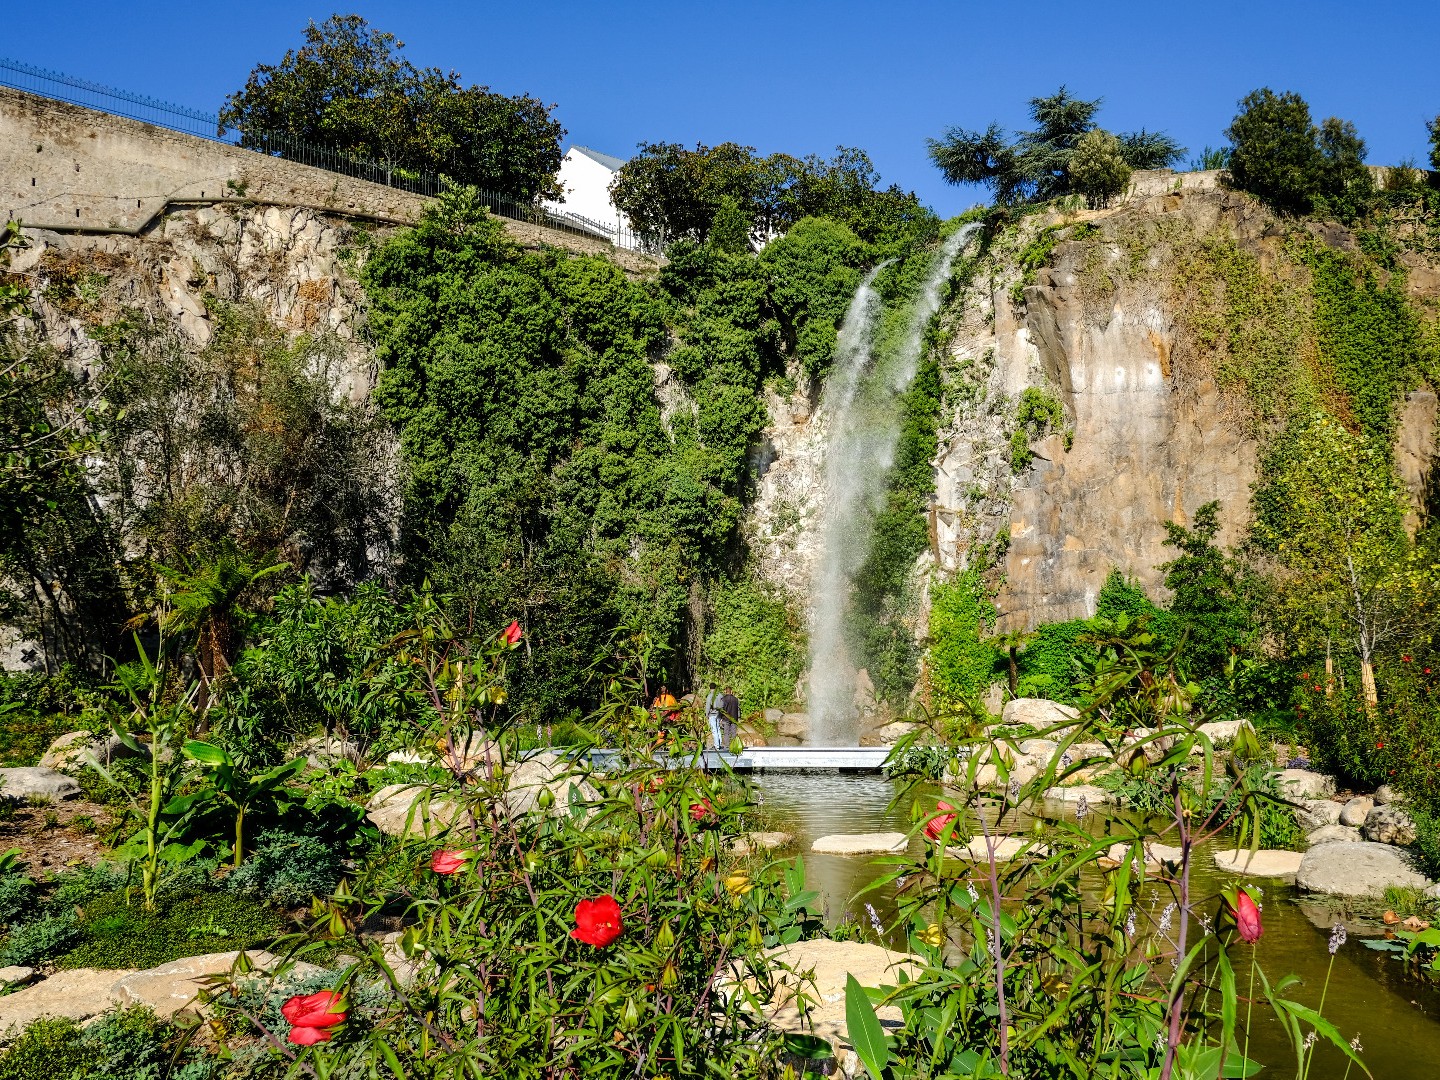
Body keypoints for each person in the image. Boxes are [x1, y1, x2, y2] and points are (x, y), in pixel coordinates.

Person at [703, 682, 723, 750]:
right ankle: (720, 744)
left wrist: (706, 714)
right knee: (718, 729)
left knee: (714, 730)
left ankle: (716, 745)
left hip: (712, 714)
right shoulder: (720, 695)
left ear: (710, 688)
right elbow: (722, 705)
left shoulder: (710, 696)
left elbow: (708, 706)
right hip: (719, 714)